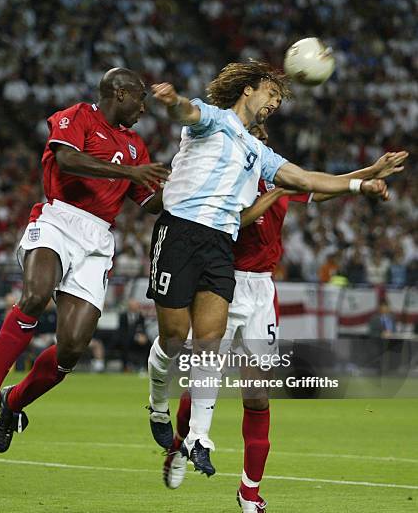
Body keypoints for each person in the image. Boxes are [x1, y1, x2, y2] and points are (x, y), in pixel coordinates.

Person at [163, 121, 407, 513]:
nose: (260, 133)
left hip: (261, 292)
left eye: (263, 128)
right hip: (221, 283)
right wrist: (277, 190)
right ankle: (181, 444)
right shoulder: (225, 176)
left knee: (257, 397)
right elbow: (233, 220)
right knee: (206, 383)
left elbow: (323, 185)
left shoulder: (275, 173)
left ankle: (250, 495)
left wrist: (370, 173)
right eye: (252, 126)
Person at [145, 60, 389, 476]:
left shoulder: (259, 154)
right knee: (173, 337)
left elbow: (305, 178)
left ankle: (200, 437)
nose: (275, 104)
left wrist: (359, 184)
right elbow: (187, 112)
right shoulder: (215, 120)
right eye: (272, 95)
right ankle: (156, 402)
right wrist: (172, 101)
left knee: (208, 342)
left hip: (220, 246)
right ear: (249, 90)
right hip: (182, 232)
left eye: (279, 99)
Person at [0, 67, 168, 452]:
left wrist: (182, 189)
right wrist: (129, 171)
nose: (144, 108)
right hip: (58, 218)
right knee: (35, 296)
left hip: (98, 240)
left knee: (71, 348)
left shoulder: (137, 146)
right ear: (120, 93)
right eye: (140, 98)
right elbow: (68, 160)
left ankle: (13, 400)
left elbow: (148, 202)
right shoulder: (77, 117)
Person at [117, 298, 151, 371]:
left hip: (138, 338)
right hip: (126, 338)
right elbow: (122, 331)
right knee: (124, 344)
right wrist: (135, 337)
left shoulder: (141, 316)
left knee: (149, 344)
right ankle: (126, 367)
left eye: (137, 305)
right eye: (134, 305)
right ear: (129, 306)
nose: (136, 307)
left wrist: (143, 336)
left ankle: (146, 366)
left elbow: (142, 329)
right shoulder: (123, 316)